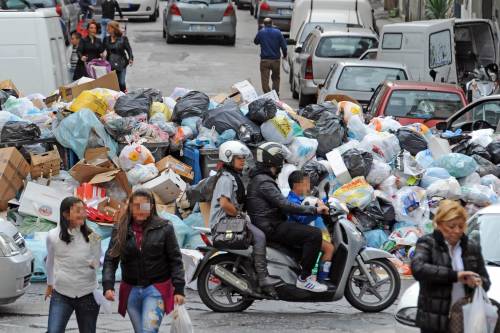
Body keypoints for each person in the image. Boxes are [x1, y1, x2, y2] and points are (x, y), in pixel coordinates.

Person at [246, 142, 329, 292]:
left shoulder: (261, 179)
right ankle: (304, 279)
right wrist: (313, 210)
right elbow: (284, 204)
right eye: (281, 161)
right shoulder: (264, 182)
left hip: (270, 223)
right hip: (271, 226)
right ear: (274, 161)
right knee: (314, 234)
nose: (281, 165)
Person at [102, 189, 185, 333]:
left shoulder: (165, 227)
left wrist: (179, 289)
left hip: (156, 288)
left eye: (144, 206)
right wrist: (108, 285)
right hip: (130, 289)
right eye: (136, 206)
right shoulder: (120, 229)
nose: (140, 210)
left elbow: (175, 260)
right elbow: (111, 259)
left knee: (148, 331)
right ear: (130, 207)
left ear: (151, 207)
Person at [210, 141, 280, 294]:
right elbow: (224, 204)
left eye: (243, 158)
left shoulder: (234, 176)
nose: (242, 161)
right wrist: (240, 215)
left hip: (230, 221)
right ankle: (263, 277)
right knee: (260, 236)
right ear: (228, 158)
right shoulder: (226, 179)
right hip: (224, 223)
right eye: (238, 158)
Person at [411, 200, 491, 333]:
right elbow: (418, 268)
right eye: (452, 226)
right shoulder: (428, 243)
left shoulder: (471, 247)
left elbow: (486, 281)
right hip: (434, 320)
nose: (457, 231)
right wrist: (454, 276)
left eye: (461, 226)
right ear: (439, 224)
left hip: (465, 318)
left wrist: (477, 282)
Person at [45, 197, 101, 333]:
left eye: (84, 210)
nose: (83, 214)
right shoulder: (52, 236)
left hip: (88, 293)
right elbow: (50, 261)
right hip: (62, 293)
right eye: (78, 211)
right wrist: (49, 284)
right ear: (65, 214)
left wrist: (96, 263)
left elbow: (100, 258)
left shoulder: (93, 236)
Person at [287, 170, 335, 283]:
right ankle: (322, 280)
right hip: (298, 234)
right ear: (297, 185)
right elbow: (302, 219)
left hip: (304, 232)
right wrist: (318, 211)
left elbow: (313, 203)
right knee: (329, 248)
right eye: (307, 183)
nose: (309, 186)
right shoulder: (291, 201)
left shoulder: (301, 198)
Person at [254, 18, 287, 95]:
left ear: (264, 24)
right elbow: (284, 46)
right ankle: (275, 93)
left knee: (265, 79)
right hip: (276, 60)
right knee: (276, 78)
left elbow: (256, 42)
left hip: (264, 60)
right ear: (272, 23)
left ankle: (268, 94)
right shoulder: (278, 33)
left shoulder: (261, 32)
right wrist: (285, 55)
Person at [103, 21, 133, 92]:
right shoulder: (106, 39)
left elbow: (129, 49)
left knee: (121, 83)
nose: (107, 29)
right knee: (112, 84)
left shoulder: (123, 39)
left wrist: (130, 58)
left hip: (122, 63)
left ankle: (124, 96)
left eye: (109, 27)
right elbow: (102, 49)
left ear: (114, 29)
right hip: (110, 64)